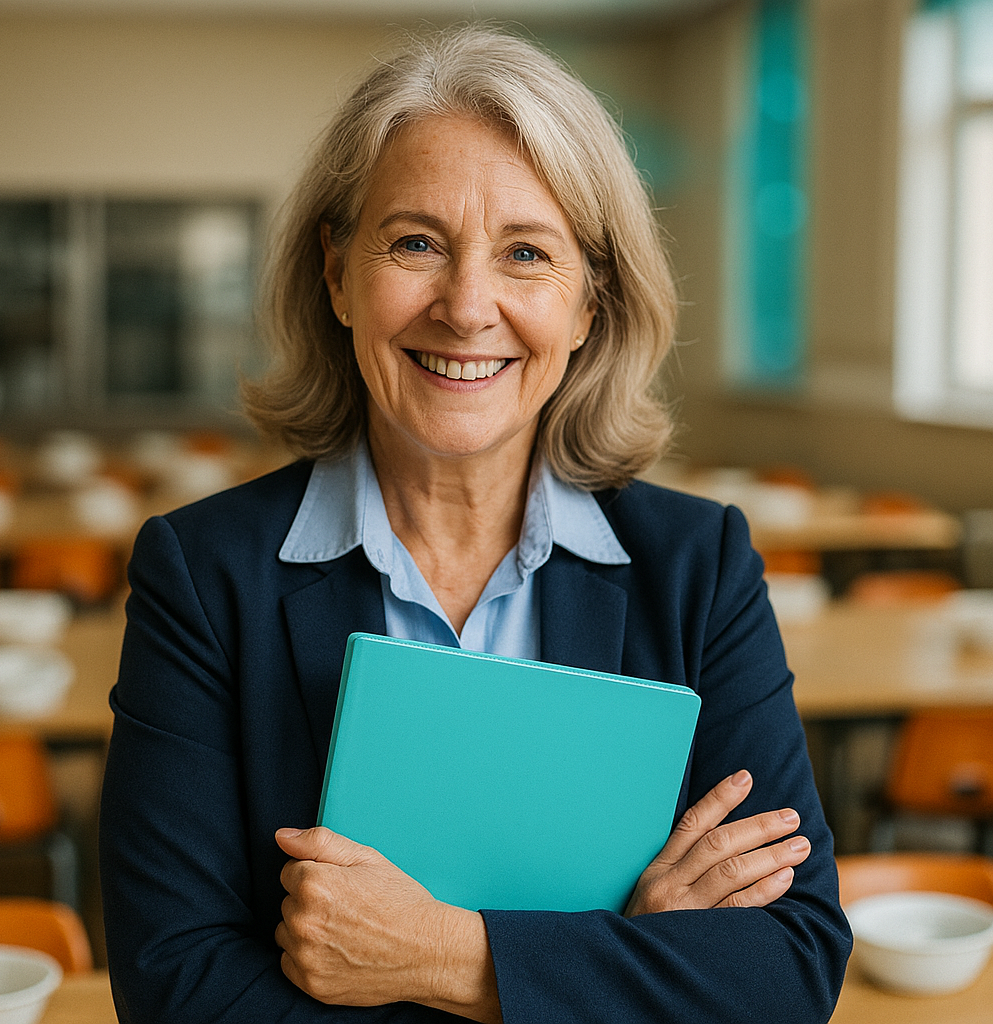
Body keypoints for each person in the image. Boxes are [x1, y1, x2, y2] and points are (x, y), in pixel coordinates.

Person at [99, 24, 852, 1024]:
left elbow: (787, 966)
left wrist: (444, 955)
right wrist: (619, 944)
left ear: (589, 301)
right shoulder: (201, 574)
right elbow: (176, 989)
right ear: (335, 274)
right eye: (415, 241)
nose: (466, 306)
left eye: (526, 253)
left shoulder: (699, 566)